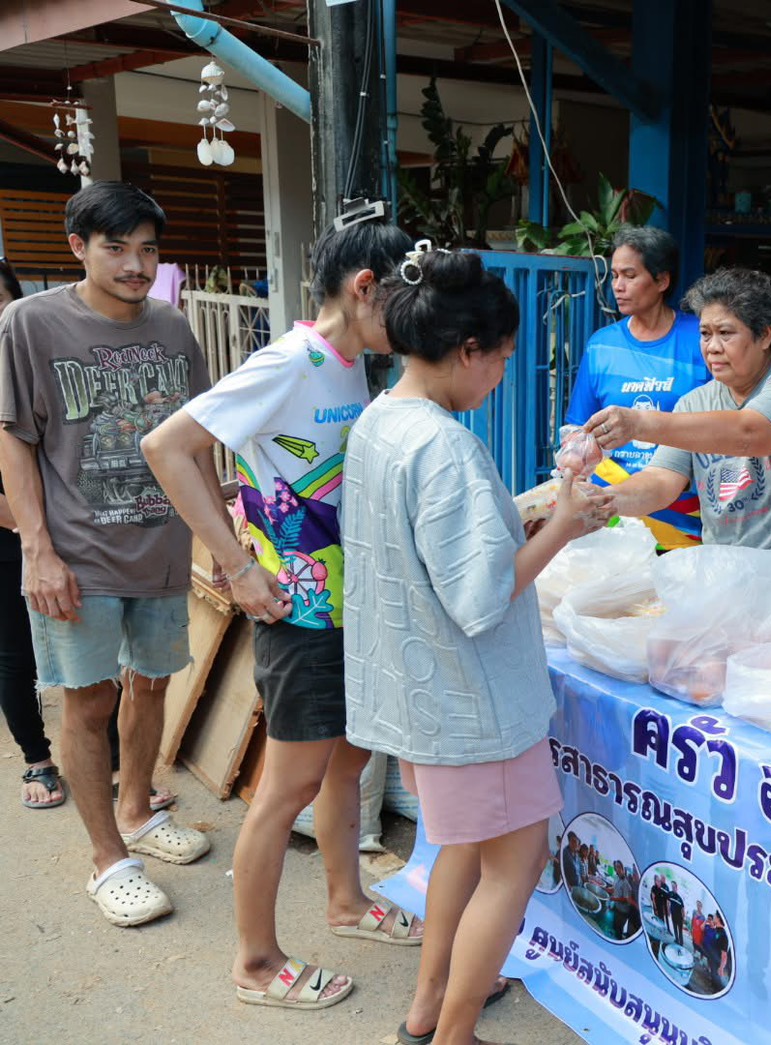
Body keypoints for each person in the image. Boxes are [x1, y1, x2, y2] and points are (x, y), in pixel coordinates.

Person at [142, 211, 417, 1011]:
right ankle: (255, 962)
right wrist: (236, 567)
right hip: (300, 615)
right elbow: (167, 447)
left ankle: (346, 901)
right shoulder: (289, 362)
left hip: (347, 608)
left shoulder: (348, 365)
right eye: (405, 300)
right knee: (286, 787)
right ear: (365, 288)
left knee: (347, 764)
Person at [342, 247, 611, 1045]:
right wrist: (564, 524)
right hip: (472, 700)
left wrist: (529, 524)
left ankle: (430, 1008)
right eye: (501, 358)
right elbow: (482, 597)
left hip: (420, 686)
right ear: (468, 350)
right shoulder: (446, 446)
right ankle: (453, 1034)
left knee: (460, 846)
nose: (499, 375)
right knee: (514, 863)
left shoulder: (381, 418)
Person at [0, 182, 213, 926]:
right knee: (89, 701)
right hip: (77, 554)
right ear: (78, 248)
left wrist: (218, 531)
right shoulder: (30, 323)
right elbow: (14, 439)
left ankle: (138, 810)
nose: (135, 265)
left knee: (151, 684)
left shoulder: (174, 328)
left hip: (160, 545)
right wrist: (37, 550)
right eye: (116, 248)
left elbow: (196, 438)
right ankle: (108, 860)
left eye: (147, 249)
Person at [587, 268, 771, 608]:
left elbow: (749, 433)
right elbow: (660, 482)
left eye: (725, 333)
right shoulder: (694, 403)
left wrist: (639, 423)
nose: (712, 347)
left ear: (764, 336)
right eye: (705, 334)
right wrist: (601, 502)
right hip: (738, 589)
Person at [565, 226, 707, 549]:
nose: (618, 286)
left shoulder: (700, 340)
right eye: (615, 275)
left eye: (630, 275)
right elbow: (578, 429)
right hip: (612, 513)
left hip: (684, 516)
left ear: (662, 280)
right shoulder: (601, 345)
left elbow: (721, 422)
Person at [0, 259, 59, 811]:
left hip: (63, 524)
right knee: (16, 653)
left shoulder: (36, 360)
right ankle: (38, 759)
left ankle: (113, 759)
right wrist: (28, 527)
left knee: (101, 647)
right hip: (9, 532)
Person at [608, 859, 637, 938]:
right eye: (616, 867)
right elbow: (615, 889)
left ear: (622, 868)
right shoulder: (617, 878)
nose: (617, 869)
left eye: (619, 867)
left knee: (619, 930)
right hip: (617, 908)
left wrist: (614, 899)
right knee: (614, 926)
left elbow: (626, 899)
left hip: (623, 912)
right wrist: (606, 889)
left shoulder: (625, 882)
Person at [666, 876, 686, 946]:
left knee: (680, 931)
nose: (673, 887)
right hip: (673, 916)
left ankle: (681, 943)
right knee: (675, 929)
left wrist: (683, 918)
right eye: (672, 886)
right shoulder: (670, 894)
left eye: (674, 886)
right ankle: (676, 940)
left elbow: (683, 909)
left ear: (676, 887)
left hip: (679, 917)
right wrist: (668, 910)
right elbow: (668, 902)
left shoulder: (679, 898)